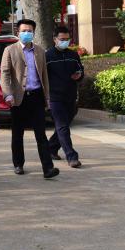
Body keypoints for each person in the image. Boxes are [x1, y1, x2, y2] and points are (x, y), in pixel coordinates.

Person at [0, 19, 59, 179]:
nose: (27, 33)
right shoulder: (10, 50)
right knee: (17, 133)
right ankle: (18, 164)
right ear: (18, 32)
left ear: (33, 33)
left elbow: (44, 75)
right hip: (19, 98)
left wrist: (47, 97)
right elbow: (5, 74)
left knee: (41, 134)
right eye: (24, 30)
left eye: (30, 31)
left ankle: (48, 168)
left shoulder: (39, 51)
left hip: (36, 97)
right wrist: (8, 93)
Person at [45, 25, 84, 168]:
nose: (65, 42)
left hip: (70, 96)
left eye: (67, 39)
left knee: (64, 126)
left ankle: (50, 148)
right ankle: (71, 156)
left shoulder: (73, 55)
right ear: (55, 39)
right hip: (55, 98)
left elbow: (80, 70)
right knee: (62, 127)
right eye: (62, 39)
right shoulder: (47, 56)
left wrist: (79, 75)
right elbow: (42, 77)